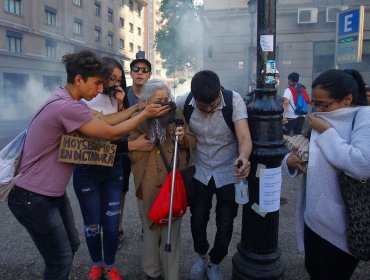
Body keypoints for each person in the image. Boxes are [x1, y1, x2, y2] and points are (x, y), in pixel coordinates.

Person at [7, 49, 169, 280]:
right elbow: (110, 133)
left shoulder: (64, 98)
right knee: (61, 258)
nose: (101, 89)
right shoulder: (68, 107)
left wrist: (136, 108)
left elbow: (103, 119)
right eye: (97, 84)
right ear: (79, 79)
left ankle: (101, 266)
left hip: (47, 193)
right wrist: (143, 116)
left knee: (70, 247)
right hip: (33, 196)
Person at [283, 68, 370, 279]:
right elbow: (308, 153)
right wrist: (291, 162)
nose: (318, 108)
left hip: (342, 225)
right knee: (314, 270)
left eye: (324, 104)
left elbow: (362, 165)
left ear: (347, 99)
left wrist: (327, 131)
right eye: (315, 103)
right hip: (312, 218)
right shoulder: (319, 118)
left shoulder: (363, 116)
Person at [176, 70, 252, 280]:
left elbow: (244, 137)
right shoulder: (183, 102)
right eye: (203, 107)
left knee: (226, 222)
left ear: (219, 92)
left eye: (212, 105)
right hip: (200, 170)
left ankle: (215, 261)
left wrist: (244, 157)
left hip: (229, 171)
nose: (208, 110)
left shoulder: (233, 100)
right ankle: (201, 255)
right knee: (197, 220)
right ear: (194, 98)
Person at [129, 79, 196, 280]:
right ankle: (152, 272)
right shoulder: (136, 117)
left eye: (167, 98)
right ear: (147, 101)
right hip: (147, 181)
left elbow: (192, 139)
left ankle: (171, 275)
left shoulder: (176, 113)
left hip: (172, 182)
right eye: (159, 100)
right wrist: (139, 145)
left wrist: (183, 137)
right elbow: (129, 145)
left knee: (172, 233)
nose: (165, 103)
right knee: (150, 231)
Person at [72, 57, 131, 280]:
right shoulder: (84, 99)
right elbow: (104, 131)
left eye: (118, 79)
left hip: (113, 167)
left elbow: (120, 132)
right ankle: (96, 265)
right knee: (92, 224)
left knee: (112, 223)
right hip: (87, 169)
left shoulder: (116, 99)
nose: (115, 83)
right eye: (110, 78)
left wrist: (122, 105)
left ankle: (110, 265)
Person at [118, 55, 154, 247]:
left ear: (149, 74)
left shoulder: (154, 94)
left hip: (146, 148)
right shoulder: (122, 93)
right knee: (120, 190)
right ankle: (118, 229)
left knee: (145, 189)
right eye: (136, 69)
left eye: (144, 69)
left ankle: (146, 227)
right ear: (130, 72)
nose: (140, 72)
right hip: (124, 148)